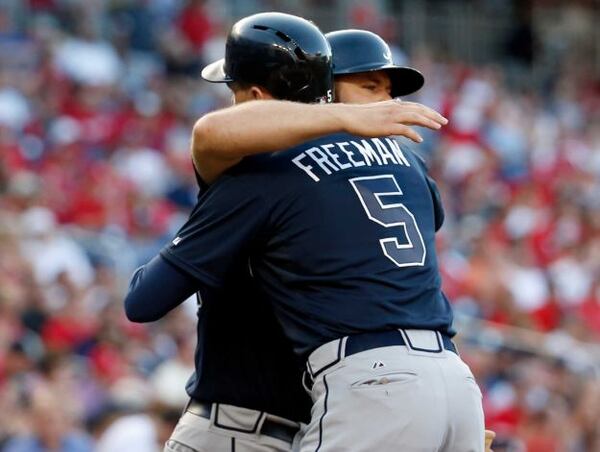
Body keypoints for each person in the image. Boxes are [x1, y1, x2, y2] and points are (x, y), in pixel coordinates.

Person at [125, 14, 484, 452]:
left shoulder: (267, 174)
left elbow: (143, 298)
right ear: (326, 90)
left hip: (357, 395)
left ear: (254, 95)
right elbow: (211, 133)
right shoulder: (405, 166)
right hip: (438, 384)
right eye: (370, 88)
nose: (384, 104)